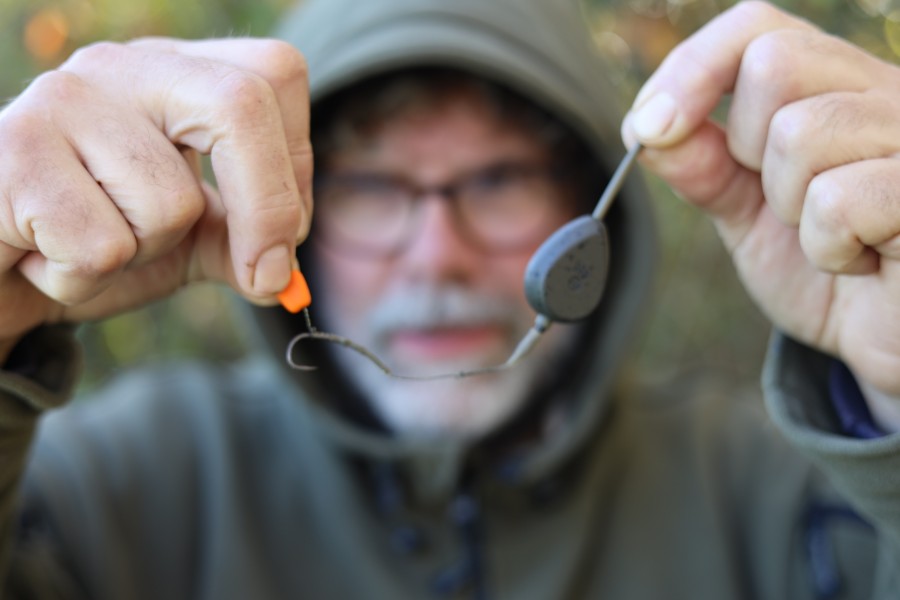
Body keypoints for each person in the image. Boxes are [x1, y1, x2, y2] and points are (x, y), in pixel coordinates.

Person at [1, 0, 899, 597]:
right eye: (375, 188)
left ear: (588, 209)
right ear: (293, 210)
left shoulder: (782, 494)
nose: (438, 257)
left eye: (499, 180)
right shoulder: (117, 485)